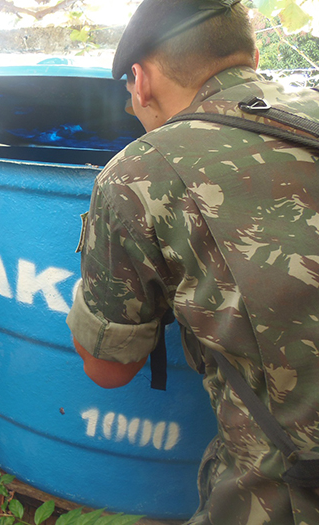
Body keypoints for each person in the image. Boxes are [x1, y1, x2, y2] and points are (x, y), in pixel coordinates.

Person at [66, 0, 319, 523]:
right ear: (252, 55)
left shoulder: (140, 172)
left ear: (140, 80)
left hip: (288, 494)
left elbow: (108, 370)